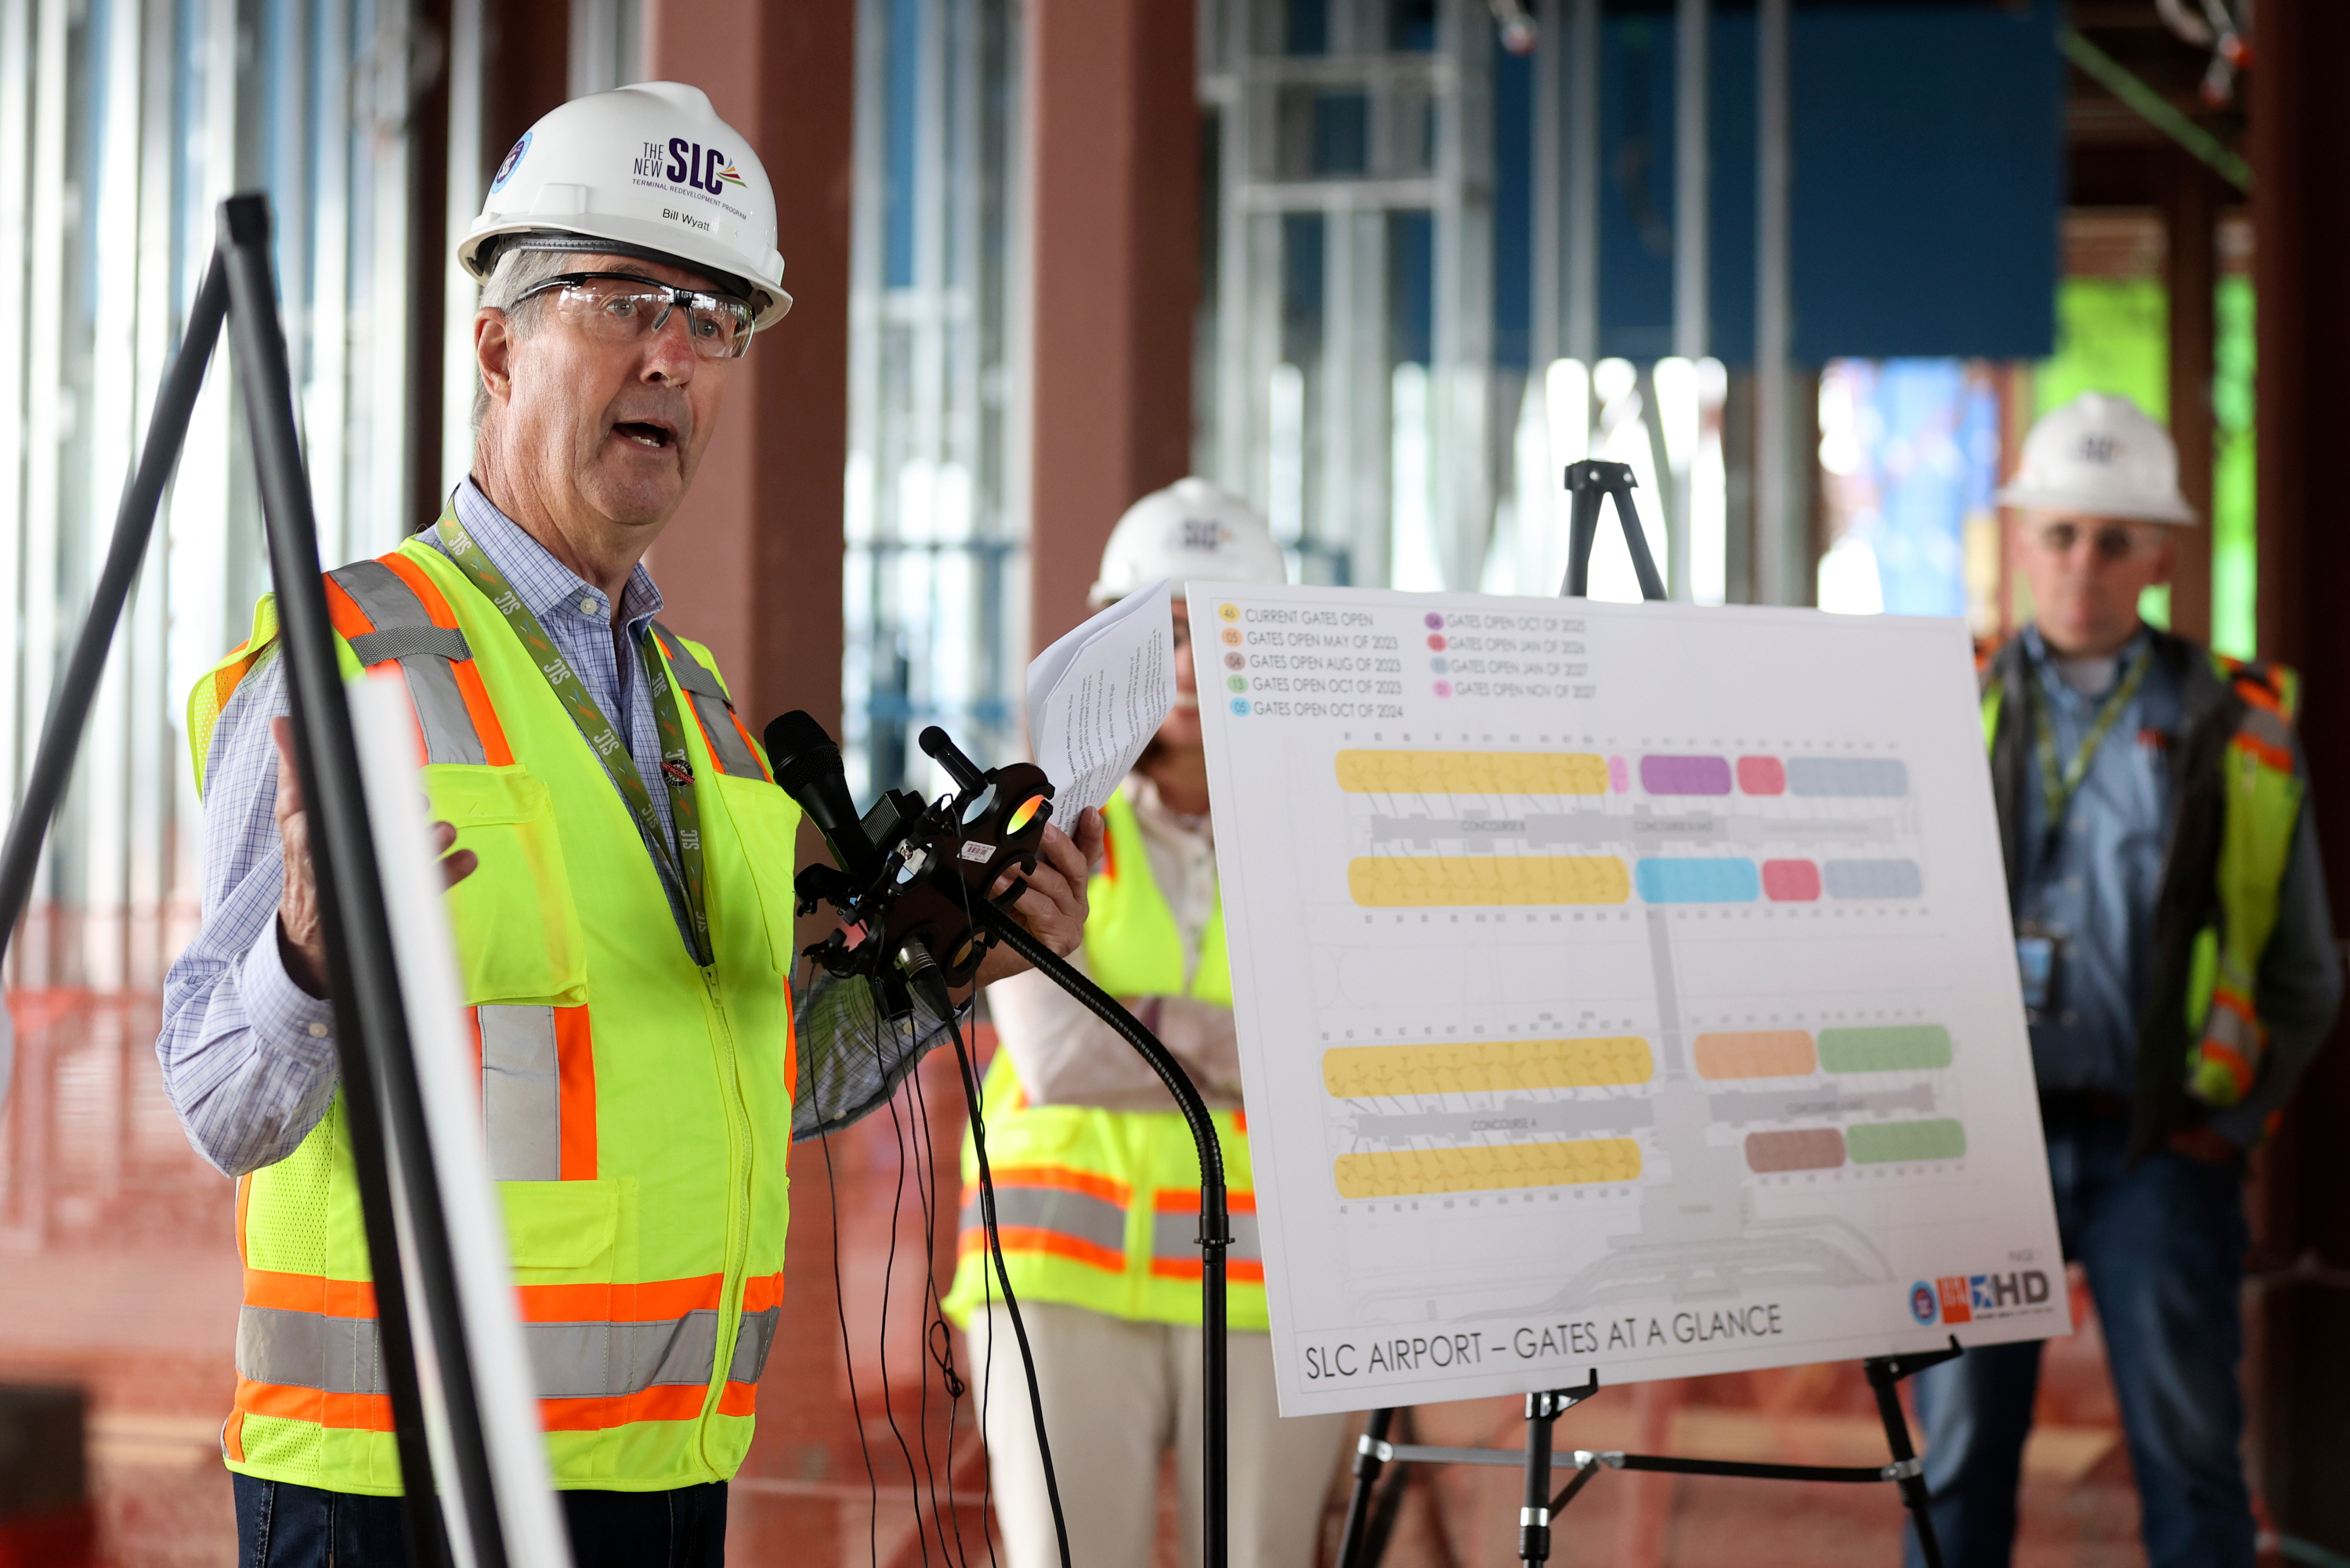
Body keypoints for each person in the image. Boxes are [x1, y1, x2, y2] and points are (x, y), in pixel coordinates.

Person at [157, 83, 1101, 1568]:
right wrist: (303, 957)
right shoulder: (341, 666)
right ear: (497, 343)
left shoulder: (704, 714)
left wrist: (941, 976)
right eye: (620, 299)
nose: (672, 350)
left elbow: (746, 1079)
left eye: (713, 316)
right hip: (401, 1486)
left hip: (662, 1470)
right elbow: (221, 1100)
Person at [1906, 392, 2341, 1568]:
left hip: (2162, 1151)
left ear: (2160, 551)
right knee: (1948, 1471)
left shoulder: (2236, 722)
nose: (2081, 562)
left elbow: (2304, 969)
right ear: (2020, 539)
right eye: (2058, 532)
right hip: (1978, 1153)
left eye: (2112, 536)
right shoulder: (1939, 705)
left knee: (2192, 1463)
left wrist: (2229, 1126)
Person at [942, 480, 1347, 1568]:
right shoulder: (1030, 814)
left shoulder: (1334, 829)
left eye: (1218, 631)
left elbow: (1357, 1058)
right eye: (1163, 631)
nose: (1187, 664)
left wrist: (1154, 1027)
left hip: (1283, 1287)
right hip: (1057, 1276)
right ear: (1106, 637)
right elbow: (1060, 1054)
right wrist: (1262, 1043)